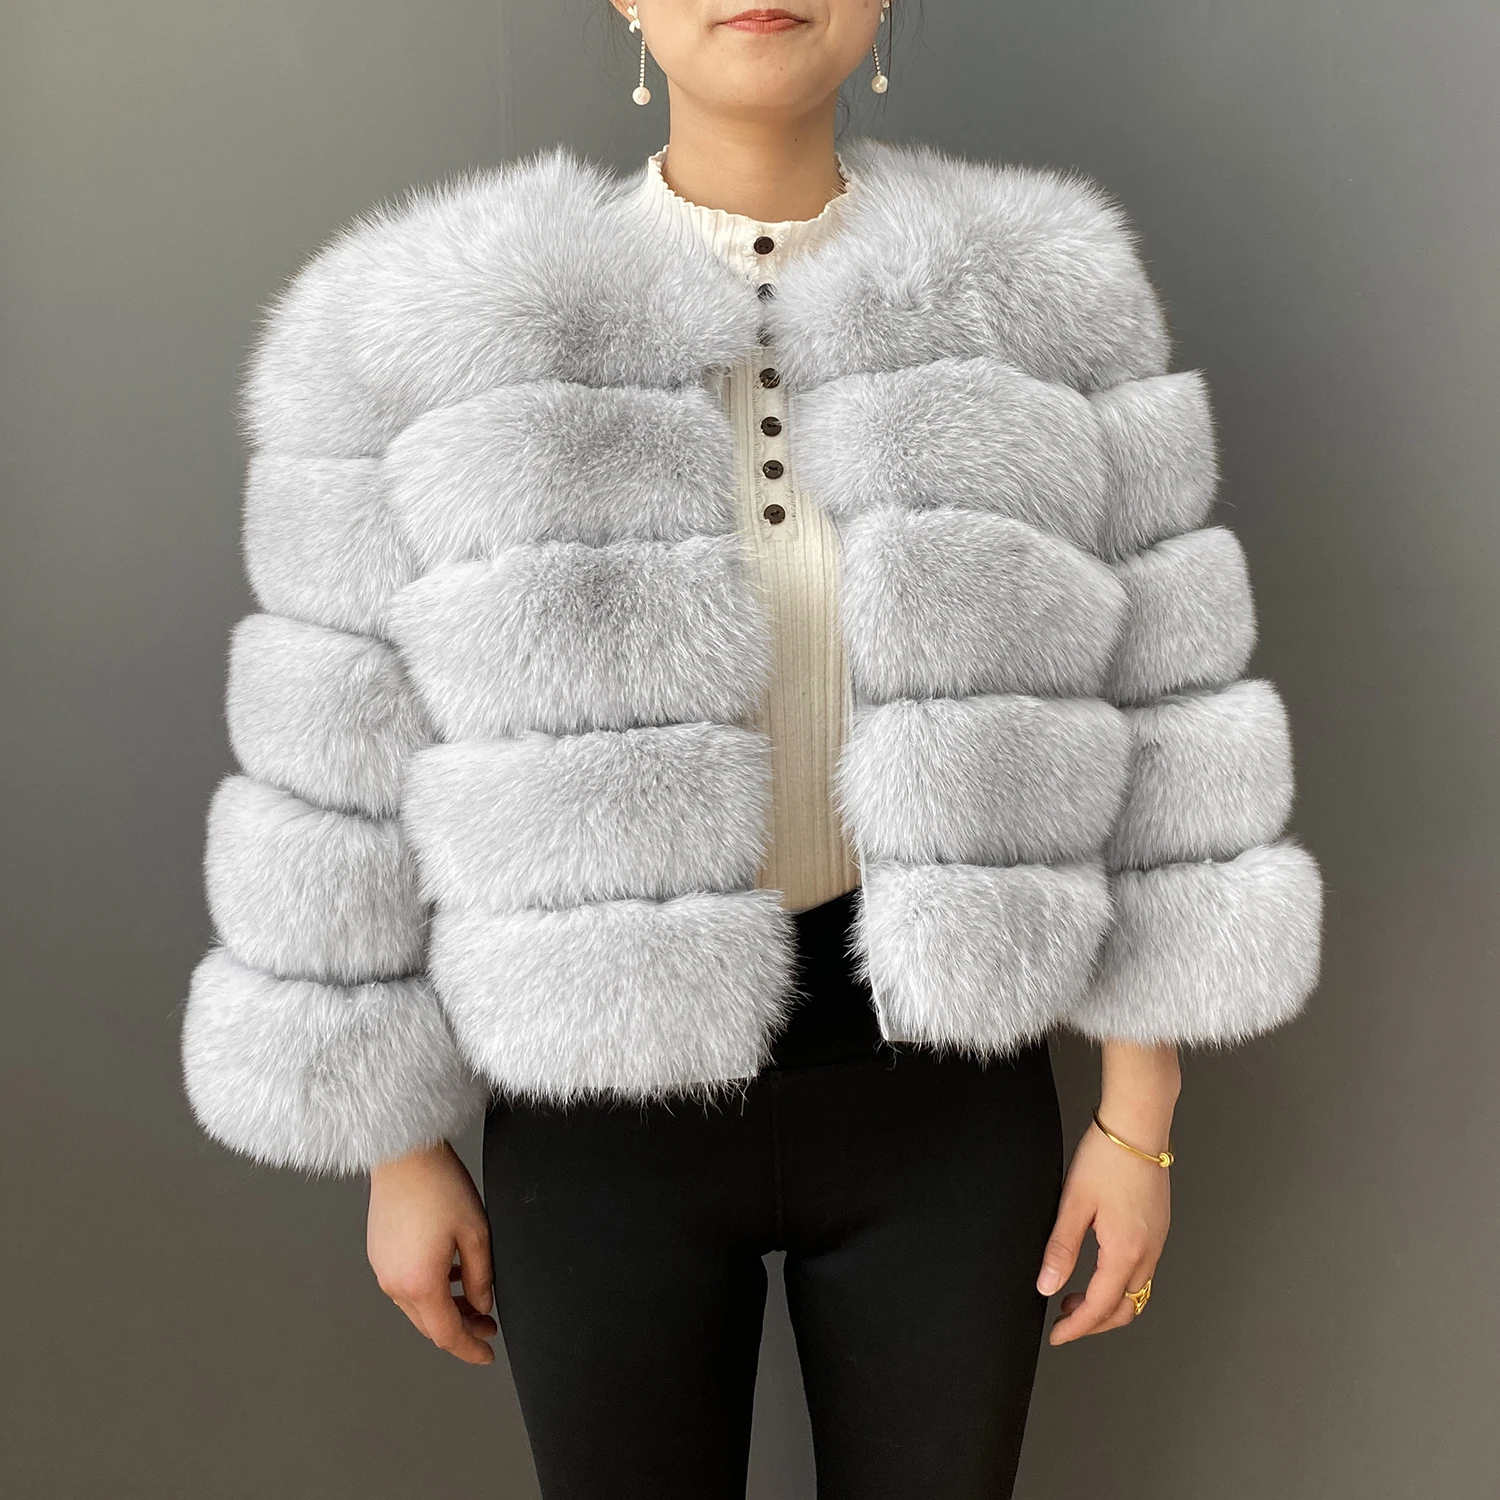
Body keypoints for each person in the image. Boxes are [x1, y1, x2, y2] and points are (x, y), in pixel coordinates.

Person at [179, 2, 1324, 1495]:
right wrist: (395, 1149)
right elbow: (332, 757)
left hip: (944, 1100)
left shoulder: (1047, 300)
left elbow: (1168, 703)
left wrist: (1138, 1119)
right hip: (598, 1119)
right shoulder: (422, 329)